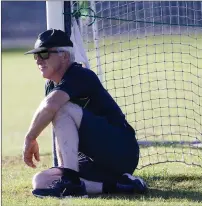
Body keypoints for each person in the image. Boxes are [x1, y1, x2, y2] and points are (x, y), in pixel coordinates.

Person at [23, 29, 148, 198]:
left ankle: (72, 182)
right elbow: (61, 128)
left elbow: (51, 105)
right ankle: (120, 186)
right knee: (41, 181)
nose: (38, 60)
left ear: (64, 56)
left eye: (44, 54)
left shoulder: (80, 75)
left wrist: (30, 138)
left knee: (61, 107)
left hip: (120, 150)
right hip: (92, 160)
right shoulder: (51, 85)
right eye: (35, 56)